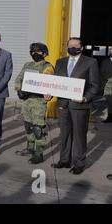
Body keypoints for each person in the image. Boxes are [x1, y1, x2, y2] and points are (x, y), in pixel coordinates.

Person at [52, 38, 100, 175]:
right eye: (70, 45)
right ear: (67, 47)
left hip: (80, 105)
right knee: (64, 134)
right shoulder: (60, 62)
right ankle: (64, 160)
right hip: (63, 104)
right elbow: (56, 82)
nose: (73, 47)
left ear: (82, 47)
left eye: (76, 45)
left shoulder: (90, 62)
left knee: (79, 135)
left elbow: (95, 85)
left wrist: (85, 97)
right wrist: (49, 93)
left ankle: (79, 163)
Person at [14, 43, 54, 164]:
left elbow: (46, 83)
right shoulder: (27, 65)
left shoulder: (47, 67)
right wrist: (19, 89)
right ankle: (30, 148)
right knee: (28, 126)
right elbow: (18, 79)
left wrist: (27, 90)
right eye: (32, 52)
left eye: (38, 52)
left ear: (45, 54)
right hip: (26, 101)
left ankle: (39, 153)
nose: (34, 54)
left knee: (38, 128)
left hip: (38, 101)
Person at [99, 47, 112, 123]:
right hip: (107, 86)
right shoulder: (105, 62)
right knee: (109, 102)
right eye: (110, 49)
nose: (111, 50)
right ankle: (110, 117)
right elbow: (101, 74)